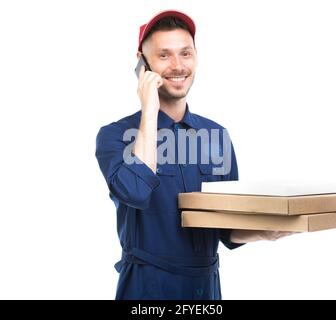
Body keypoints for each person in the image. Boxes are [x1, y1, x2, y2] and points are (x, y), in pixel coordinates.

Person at [95, 10, 291, 300]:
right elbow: (135, 191)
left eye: (185, 53)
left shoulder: (217, 136)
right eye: (164, 56)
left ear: (196, 56)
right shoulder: (114, 136)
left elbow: (226, 230)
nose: (177, 66)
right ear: (142, 63)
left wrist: (266, 232)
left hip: (205, 289)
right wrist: (149, 110)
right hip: (147, 288)